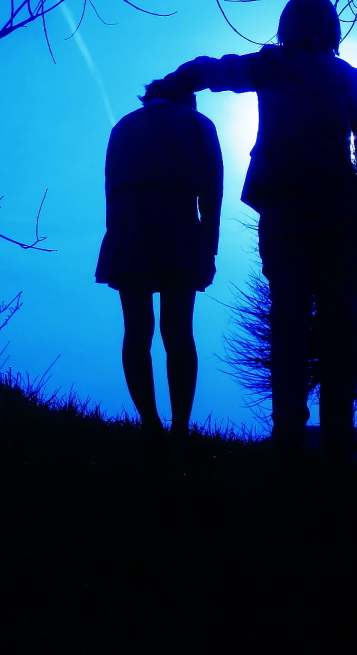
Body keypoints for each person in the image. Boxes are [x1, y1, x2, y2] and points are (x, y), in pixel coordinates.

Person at [158, 0, 357, 463]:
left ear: (287, 27)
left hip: (287, 204)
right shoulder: (350, 77)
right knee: (340, 316)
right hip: (337, 205)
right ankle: (336, 434)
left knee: (290, 315)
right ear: (331, 31)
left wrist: (171, 84)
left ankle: (289, 434)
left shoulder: (273, 64)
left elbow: (212, 70)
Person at [96, 83, 223, 445]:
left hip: (128, 224)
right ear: (185, 96)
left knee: (136, 330)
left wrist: (116, 234)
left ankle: (150, 424)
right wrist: (209, 247)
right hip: (178, 222)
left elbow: (110, 187)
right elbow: (212, 191)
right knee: (178, 329)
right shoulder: (197, 122)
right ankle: (179, 428)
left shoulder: (123, 125)